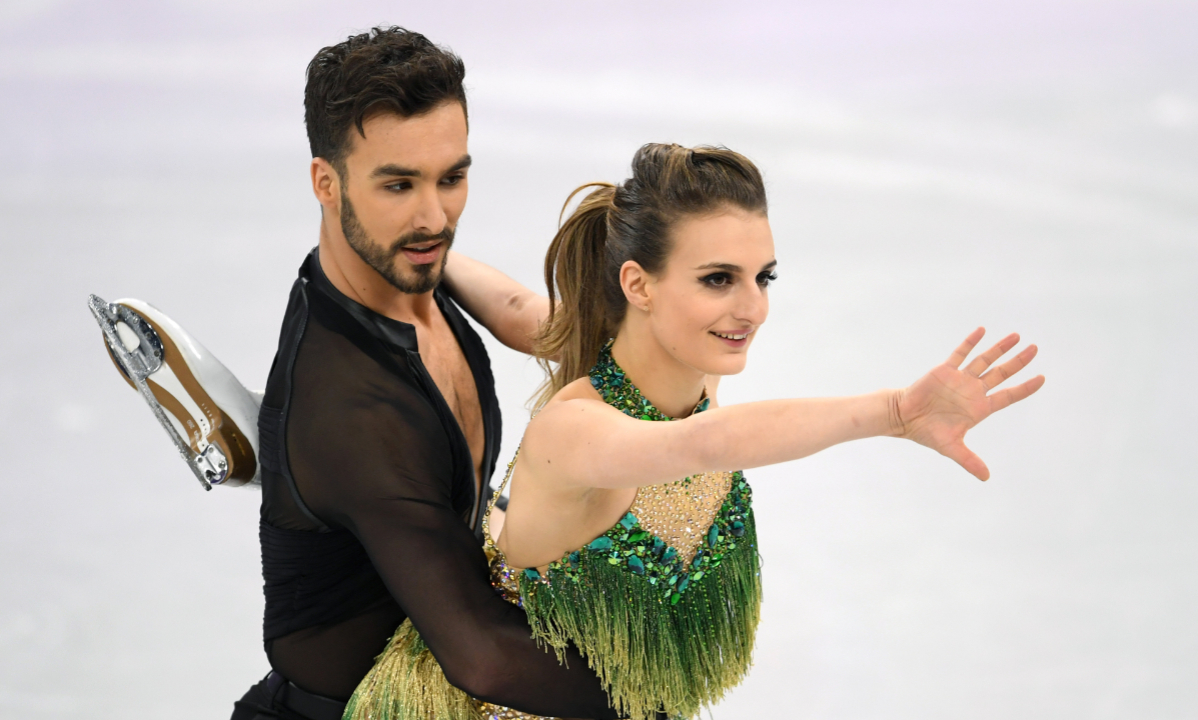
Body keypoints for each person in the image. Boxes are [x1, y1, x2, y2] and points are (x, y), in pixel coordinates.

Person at [346, 143, 1045, 720]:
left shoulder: (685, 371)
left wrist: (432, 258)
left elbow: (523, 309)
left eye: (762, 276)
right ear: (639, 285)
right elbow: (707, 445)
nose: (754, 307)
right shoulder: (579, 432)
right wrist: (892, 413)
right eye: (718, 279)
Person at [230, 27, 622, 720]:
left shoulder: (397, 263)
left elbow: (518, 310)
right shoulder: (353, 406)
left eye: (452, 177)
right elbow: (479, 654)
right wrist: (651, 701)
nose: (435, 216)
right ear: (327, 183)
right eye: (399, 185)